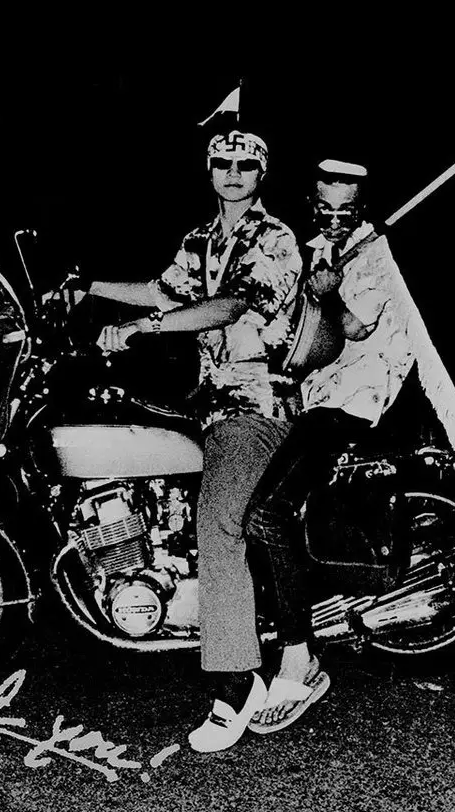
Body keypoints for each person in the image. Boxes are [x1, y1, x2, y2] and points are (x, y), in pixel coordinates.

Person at [75, 129, 303, 752]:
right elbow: (162, 291)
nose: (233, 172)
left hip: (256, 399)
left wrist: (143, 329)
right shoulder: (201, 240)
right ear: (208, 171)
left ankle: (237, 682)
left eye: (246, 164)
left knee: (218, 522)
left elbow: (231, 306)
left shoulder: (274, 238)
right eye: (222, 163)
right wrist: (89, 288)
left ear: (261, 174)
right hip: (208, 402)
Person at [243, 158, 417, 734]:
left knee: (267, 511)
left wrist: (331, 292)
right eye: (325, 209)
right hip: (318, 395)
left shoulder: (379, 253)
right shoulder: (317, 247)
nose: (335, 220)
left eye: (347, 210)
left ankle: (300, 658)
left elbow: (354, 328)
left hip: (357, 399)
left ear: (364, 208)